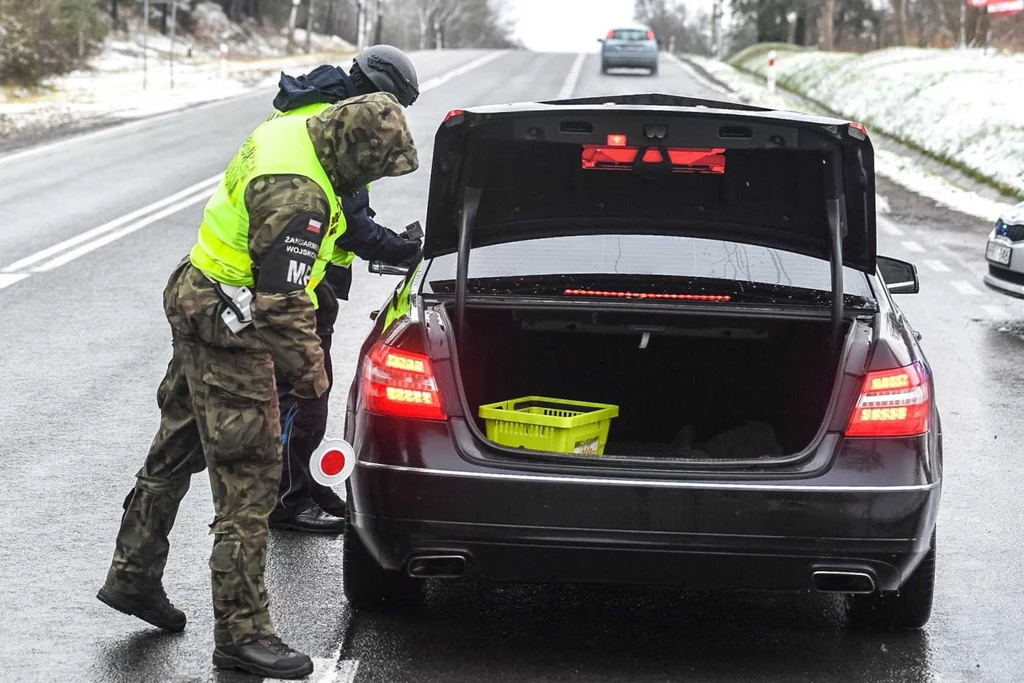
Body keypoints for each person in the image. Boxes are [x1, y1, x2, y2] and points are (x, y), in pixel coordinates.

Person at [97, 91, 418, 679]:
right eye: (373, 167)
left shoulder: (295, 129)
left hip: (198, 295)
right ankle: (242, 634)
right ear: (353, 148)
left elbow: (338, 232)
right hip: (233, 326)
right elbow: (280, 304)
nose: (370, 179)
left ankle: (133, 576)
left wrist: (396, 245)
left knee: (176, 449)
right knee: (250, 479)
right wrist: (312, 374)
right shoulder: (299, 195)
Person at [265, 45, 422, 534]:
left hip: (311, 270)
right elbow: (352, 224)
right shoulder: (336, 126)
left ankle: (303, 482)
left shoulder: (316, 104)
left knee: (302, 390)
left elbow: (349, 212)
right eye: (389, 103)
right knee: (303, 393)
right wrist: (405, 251)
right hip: (296, 278)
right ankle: (286, 502)